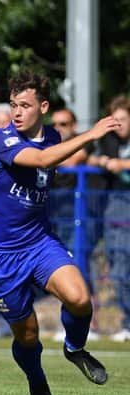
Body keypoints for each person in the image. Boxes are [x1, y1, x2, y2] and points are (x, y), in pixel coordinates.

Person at [0, 70, 118, 395]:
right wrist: (91, 134)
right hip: (1, 255)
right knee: (28, 335)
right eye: (13, 105)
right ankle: (37, 381)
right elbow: (41, 159)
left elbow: (58, 152)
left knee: (80, 299)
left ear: (43, 106)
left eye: (24, 105)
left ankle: (74, 348)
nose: (17, 112)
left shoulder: (53, 136)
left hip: (39, 242)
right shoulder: (3, 138)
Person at [49, 109, 101, 342]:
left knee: (81, 268)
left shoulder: (84, 141)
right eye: (55, 123)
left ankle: (94, 322)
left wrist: (48, 160)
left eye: (64, 123)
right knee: (61, 271)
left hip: (79, 216)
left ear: (74, 124)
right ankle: (70, 323)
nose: (59, 127)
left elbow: (71, 159)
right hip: (55, 215)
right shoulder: (49, 143)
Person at [89, 96, 130, 342]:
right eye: (115, 120)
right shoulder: (108, 141)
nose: (120, 124)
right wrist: (105, 161)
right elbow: (87, 156)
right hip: (115, 208)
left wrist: (123, 164)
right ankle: (127, 322)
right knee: (118, 266)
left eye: (123, 119)